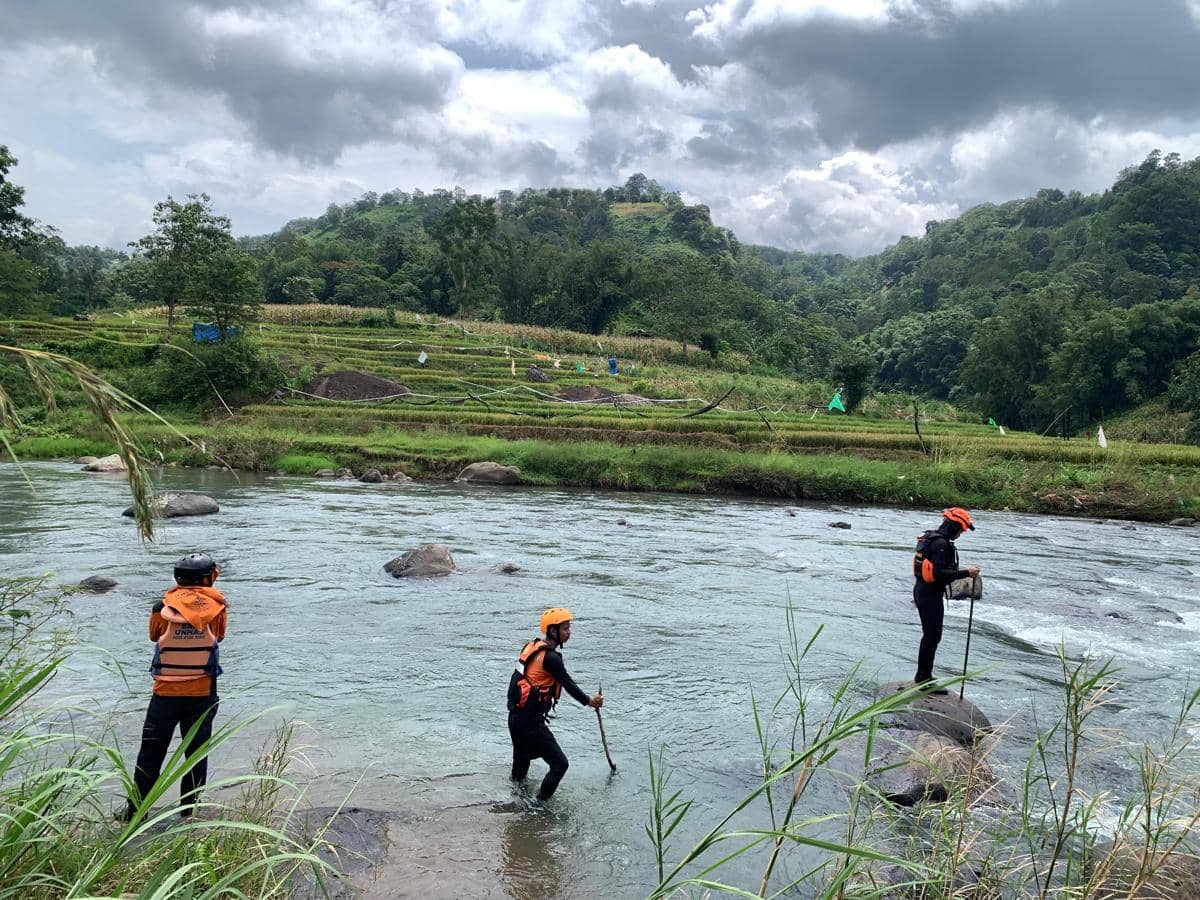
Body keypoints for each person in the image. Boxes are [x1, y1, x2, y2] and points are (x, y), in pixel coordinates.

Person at [119, 553, 227, 821]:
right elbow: (220, 637)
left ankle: (135, 812)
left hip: (164, 695)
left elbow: (154, 635)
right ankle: (187, 812)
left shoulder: (160, 608)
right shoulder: (219, 609)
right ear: (207, 578)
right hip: (202, 694)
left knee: (150, 754)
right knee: (195, 755)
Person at [507, 607, 602, 803]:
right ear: (552, 631)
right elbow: (568, 684)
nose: (569, 632)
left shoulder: (531, 647)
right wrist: (590, 702)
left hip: (516, 718)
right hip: (530, 723)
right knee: (560, 764)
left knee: (521, 765)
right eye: (565, 628)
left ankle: (514, 802)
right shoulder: (551, 658)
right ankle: (538, 806)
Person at [911, 508, 980, 694]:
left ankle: (924, 675)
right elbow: (939, 574)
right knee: (932, 636)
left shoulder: (931, 538)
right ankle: (923, 678)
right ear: (954, 527)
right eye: (960, 531)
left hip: (923, 591)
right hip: (929, 595)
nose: (960, 535)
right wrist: (967, 572)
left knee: (932, 635)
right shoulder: (941, 544)